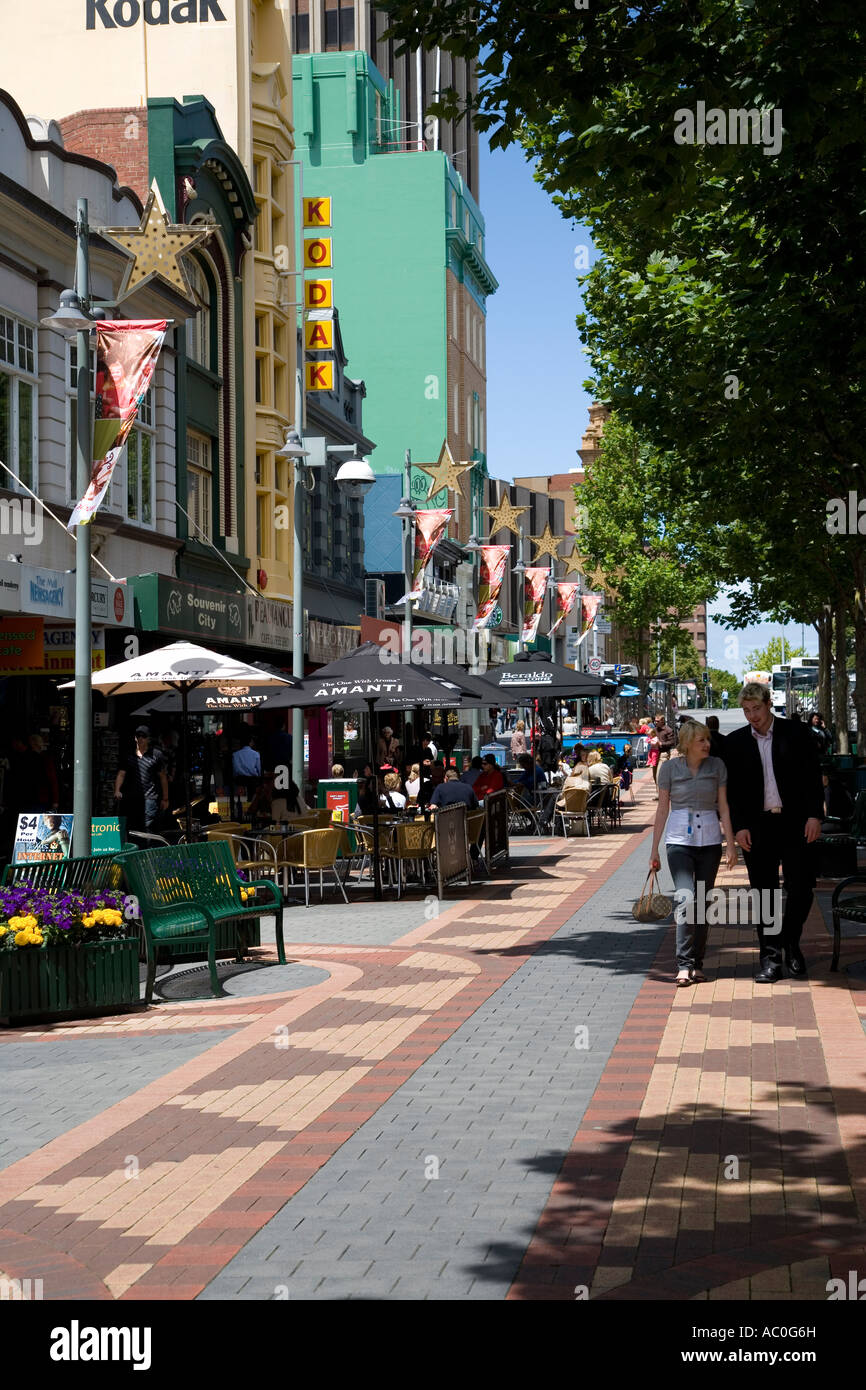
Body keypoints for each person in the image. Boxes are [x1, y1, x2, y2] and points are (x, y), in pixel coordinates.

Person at [723, 682, 824, 983]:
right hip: (758, 828)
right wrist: (739, 826)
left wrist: (815, 815)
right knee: (765, 893)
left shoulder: (797, 733)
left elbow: (812, 777)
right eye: (746, 710)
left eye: (756, 708)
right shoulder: (735, 743)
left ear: (768, 704)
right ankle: (770, 959)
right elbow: (735, 793)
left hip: (796, 823)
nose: (752, 715)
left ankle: (790, 943)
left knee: (803, 887)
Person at [650, 720, 737, 986]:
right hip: (678, 841)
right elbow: (662, 809)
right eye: (701, 740)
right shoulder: (669, 769)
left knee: (703, 902)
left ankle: (697, 963)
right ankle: (684, 964)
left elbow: (723, 806)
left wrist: (730, 844)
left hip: (709, 840)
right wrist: (653, 849)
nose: (707, 744)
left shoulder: (717, 766)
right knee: (686, 899)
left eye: (707, 740)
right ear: (687, 743)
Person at [114, 726, 170, 832]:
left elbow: (163, 777)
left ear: (148, 739)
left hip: (149, 799)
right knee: (132, 828)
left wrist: (165, 798)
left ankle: (147, 847)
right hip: (131, 799)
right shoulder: (129, 755)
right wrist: (117, 790)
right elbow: (121, 774)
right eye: (138, 736)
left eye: (143, 736)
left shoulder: (156, 755)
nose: (140, 738)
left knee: (147, 829)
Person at [232, 734, 262, 799]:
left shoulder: (235, 754)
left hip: (240, 780)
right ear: (250, 742)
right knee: (252, 799)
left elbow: (234, 769)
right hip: (253, 780)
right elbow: (259, 769)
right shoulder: (256, 754)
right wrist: (259, 776)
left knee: (240, 799)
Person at [651, 714, 676, 790]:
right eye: (655, 721)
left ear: (662, 721)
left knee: (659, 774)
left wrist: (662, 744)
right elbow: (651, 736)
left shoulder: (668, 730)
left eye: (657, 721)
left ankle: (662, 794)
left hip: (663, 753)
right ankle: (658, 792)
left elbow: (672, 742)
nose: (655, 722)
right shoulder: (655, 729)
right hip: (655, 753)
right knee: (655, 774)